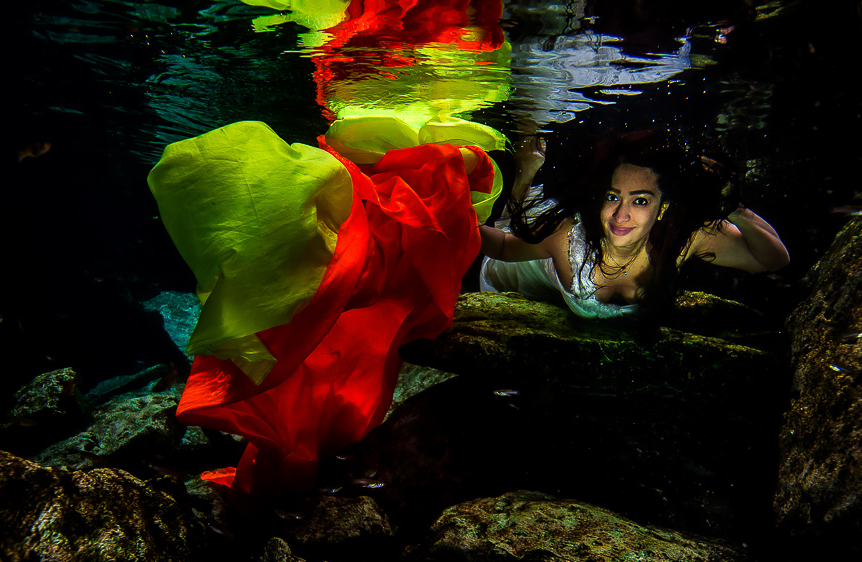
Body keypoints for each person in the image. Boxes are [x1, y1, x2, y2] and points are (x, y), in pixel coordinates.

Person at [148, 117, 502, 509]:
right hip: (351, 294)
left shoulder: (402, 202)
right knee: (319, 387)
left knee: (318, 386)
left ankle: (285, 483)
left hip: (351, 305)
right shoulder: (412, 203)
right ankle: (291, 482)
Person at [479, 128, 790, 319]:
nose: (620, 215)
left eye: (640, 201)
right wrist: (448, 219)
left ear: (663, 207)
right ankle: (526, 171)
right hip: (514, 272)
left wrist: (731, 208)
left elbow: (772, 259)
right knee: (513, 223)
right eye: (613, 197)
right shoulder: (566, 236)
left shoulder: (686, 238)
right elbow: (505, 247)